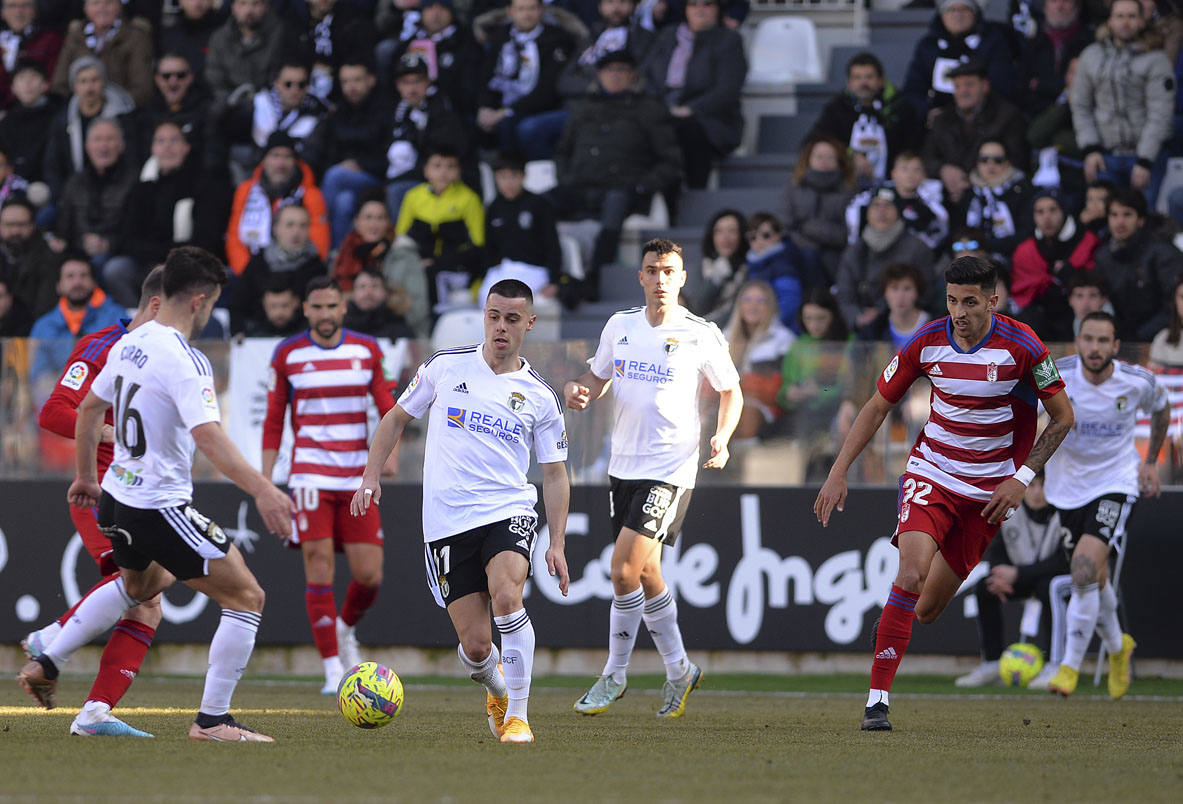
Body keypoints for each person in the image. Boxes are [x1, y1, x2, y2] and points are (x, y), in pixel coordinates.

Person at [19, 246, 295, 742]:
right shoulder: (184, 358)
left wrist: (85, 477)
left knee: (140, 589)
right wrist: (264, 490)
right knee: (247, 596)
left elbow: (87, 410)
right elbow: (210, 438)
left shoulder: (128, 342)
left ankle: (50, 654)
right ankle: (213, 720)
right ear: (199, 301)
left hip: (116, 498)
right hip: (158, 505)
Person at [814, 255, 1075, 731]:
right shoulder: (928, 340)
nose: (959, 312)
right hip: (931, 473)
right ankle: (877, 701)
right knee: (910, 574)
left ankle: (894, 621)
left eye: (971, 302)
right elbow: (875, 407)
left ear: (993, 301)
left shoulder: (1024, 347)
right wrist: (838, 470)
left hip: (989, 493)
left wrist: (1021, 478)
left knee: (928, 610)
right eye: (952, 301)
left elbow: (1063, 417)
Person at [351, 278, 571, 744]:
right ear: (483, 317)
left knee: (508, 596)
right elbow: (395, 418)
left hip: (508, 509)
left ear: (529, 324)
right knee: (475, 648)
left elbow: (554, 474)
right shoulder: (445, 367)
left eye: (512, 319)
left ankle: (519, 716)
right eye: (494, 316)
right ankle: (494, 688)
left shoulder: (540, 396)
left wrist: (557, 542)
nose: (501, 327)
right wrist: (370, 475)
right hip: (447, 521)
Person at [565, 238, 742, 718]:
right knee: (646, 572)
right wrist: (582, 392)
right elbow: (599, 379)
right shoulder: (619, 327)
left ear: (683, 278)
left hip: (671, 467)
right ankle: (680, 669)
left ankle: (614, 675)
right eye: (652, 270)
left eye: (669, 271)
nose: (660, 279)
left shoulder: (699, 332)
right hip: (623, 465)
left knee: (622, 569)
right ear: (640, 277)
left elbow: (731, 391)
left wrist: (722, 437)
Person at [19, 268, 165, 736]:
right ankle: (55, 650)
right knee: (143, 592)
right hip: (101, 489)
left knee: (147, 600)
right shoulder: (106, 344)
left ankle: (88, 701)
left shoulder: (163, 355)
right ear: (158, 305)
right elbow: (54, 410)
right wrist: (107, 431)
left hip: (137, 491)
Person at [261, 276, 396, 694]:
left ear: (343, 307)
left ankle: (342, 629)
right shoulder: (287, 353)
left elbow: (389, 407)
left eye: (331, 306)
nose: (324, 315)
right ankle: (332, 668)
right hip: (309, 475)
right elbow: (273, 419)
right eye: (316, 307)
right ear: (305, 309)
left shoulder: (367, 349)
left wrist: (387, 456)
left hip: (358, 475)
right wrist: (266, 482)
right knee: (319, 565)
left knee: (369, 576)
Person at [1040, 311, 1168, 698]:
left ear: (1115, 345)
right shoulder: (1056, 376)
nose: (1094, 348)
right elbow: (1029, 417)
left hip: (1115, 483)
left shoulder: (1137, 381)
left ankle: (1068, 668)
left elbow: (1161, 411)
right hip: (1066, 489)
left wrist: (1149, 463)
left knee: (1082, 569)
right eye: (1088, 339)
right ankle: (1118, 648)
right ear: (1078, 341)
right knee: (1096, 578)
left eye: (1103, 341)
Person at [550, 49, 682, 303]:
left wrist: (643, 186)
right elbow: (562, 152)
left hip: (624, 191)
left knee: (615, 203)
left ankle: (595, 278)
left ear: (632, 75)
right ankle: (554, 277)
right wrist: (565, 178)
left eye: (622, 69)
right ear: (599, 74)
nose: (615, 75)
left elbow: (670, 161)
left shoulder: (648, 109)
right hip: (579, 188)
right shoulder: (583, 107)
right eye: (609, 70)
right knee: (540, 203)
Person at [954, 472, 1071, 687]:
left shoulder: (1065, 512)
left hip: (1054, 580)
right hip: (1022, 579)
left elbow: (1063, 562)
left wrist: (1018, 573)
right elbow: (995, 550)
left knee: (1048, 588)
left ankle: (1056, 665)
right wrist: (1000, 575)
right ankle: (992, 663)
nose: (1037, 492)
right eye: (1032, 485)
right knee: (985, 587)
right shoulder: (1010, 513)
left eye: (1043, 486)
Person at [1072, 0, 1174, 204]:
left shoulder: (1157, 60)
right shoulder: (1091, 56)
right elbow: (1080, 106)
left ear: (1142, 22)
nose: (1125, 22)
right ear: (1109, 21)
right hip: (1104, 156)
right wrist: (1090, 149)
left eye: (1132, 16)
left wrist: (1145, 160)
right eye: (1119, 16)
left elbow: (1160, 112)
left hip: (1145, 157)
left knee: (1143, 217)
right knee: (1103, 219)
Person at [639, 0, 747, 189]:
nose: (700, 10)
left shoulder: (728, 40)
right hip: (661, 108)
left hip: (709, 119)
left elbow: (726, 90)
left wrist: (691, 109)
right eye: (693, 4)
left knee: (684, 133)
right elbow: (646, 75)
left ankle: (694, 198)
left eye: (707, 4)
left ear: (718, 10)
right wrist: (659, 106)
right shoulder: (667, 35)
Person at [476, 0, 577, 161]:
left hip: (541, 108)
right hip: (502, 105)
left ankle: (520, 175)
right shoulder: (500, 36)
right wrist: (485, 107)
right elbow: (487, 76)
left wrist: (506, 112)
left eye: (532, 8)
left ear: (542, 10)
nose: (527, 14)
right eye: (521, 9)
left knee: (513, 126)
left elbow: (548, 89)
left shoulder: (558, 39)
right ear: (510, 12)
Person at [225, 131, 331, 275]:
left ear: (296, 162)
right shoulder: (245, 191)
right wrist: (249, 276)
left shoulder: (311, 195)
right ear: (264, 160)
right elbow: (234, 239)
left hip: (296, 273)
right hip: (250, 273)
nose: (281, 164)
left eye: (287, 157)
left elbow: (319, 244)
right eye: (275, 156)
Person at [923, 60, 1027, 206]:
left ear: (985, 86)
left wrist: (970, 180)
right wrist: (943, 170)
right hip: (949, 197)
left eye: (969, 84)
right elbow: (927, 157)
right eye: (957, 86)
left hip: (996, 198)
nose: (963, 91)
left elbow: (1016, 161)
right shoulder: (942, 119)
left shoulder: (1007, 116)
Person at [394, 143, 484, 312]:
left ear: (458, 172)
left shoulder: (469, 199)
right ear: (426, 170)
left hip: (454, 264)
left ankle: (435, 322)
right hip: (420, 261)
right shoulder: (413, 196)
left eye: (450, 166)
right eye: (437, 166)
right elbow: (401, 236)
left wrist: (437, 262)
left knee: (431, 275)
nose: (443, 172)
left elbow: (477, 244)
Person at [808, 52, 922, 184]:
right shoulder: (837, 108)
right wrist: (849, 156)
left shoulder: (900, 107)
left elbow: (913, 145)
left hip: (894, 184)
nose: (863, 82)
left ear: (881, 81)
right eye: (857, 77)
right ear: (849, 83)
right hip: (844, 185)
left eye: (869, 77)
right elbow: (817, 139)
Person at [835, 186, 934, 331]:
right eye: (876, 205)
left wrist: (881, 315)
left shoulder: (917, 249)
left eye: (888, 206)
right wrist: (857, 318)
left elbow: (926, 292)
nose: (881, 212)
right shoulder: (855, 250)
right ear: (867, 212)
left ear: (899, 211)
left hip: (905, 326)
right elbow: (844, 292)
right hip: (863, 328)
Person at [1093, 186, 1183, 341]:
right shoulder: (1103, 256)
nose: (1119, 222)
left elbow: (1173, 306)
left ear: (1141, 220)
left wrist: (1138, 336)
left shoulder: (1163, 253)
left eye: (1127, 215)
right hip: (1118, 339)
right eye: (1114, 215)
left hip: (1160, 338)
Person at [901, 0, 1015, 119]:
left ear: (975, 13)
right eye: (951, 9)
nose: (958, 15)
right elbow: (913, 88)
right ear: (941, 15)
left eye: (964, 9)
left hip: (984, 119)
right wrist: (927, 112)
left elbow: (1002, 86)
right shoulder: (928, 46)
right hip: (938, 120)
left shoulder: (992, 42)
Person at [1010, 188, 1100, 338]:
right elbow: (1021, 291)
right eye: (1040, 212)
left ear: (1064, 211)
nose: (1047, 218)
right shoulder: (1025, 251)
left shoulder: (1088, 242)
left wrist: (1073, 277)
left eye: (1053, 210)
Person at [231, 203, 328, 336]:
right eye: (290, 225)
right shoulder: (258, 263)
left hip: (303, 338)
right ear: (276, 228)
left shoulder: (317, 268)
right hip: (257, 339)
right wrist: (239, 332)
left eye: (302, 225)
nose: (296, 231)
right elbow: (238, 304)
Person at [29, 255, 126, 380]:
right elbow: (38, 377)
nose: (77, 282)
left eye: (84, 276)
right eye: (70, 276)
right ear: (59, 286)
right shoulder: (43, 326)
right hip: (59, 396)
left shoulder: (117, 317)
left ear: (94, 283)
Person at [725, 278, 794, 439]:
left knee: (746, 412)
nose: (753, 306)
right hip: (727, 402)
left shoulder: (783, 339)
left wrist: (743, 383)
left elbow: (778, 385)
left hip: (766, 407)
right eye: (747, 300)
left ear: (770, 306)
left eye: (760, 301)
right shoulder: (725, 336)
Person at [51, 0, 155, 106]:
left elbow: (141, 87)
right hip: (79, 109)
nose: (102, 8)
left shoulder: (136, 37)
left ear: (119, 7)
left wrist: (115, 107)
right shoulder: (75, 35)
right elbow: (60, 82)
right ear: (86, 9)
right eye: (96, 3)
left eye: (108, 3)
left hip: (122, 110)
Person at [781, 137, 856, 284]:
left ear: (840, 161)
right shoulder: (794, 186)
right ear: (808, 159)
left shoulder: (850, 189)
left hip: (837, 256)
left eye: (830, 157)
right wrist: (810, 246)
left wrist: (809, 228)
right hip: (799, 252)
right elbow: (784, 225)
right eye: (819, 156)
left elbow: (848, 232)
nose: (824, 161)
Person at [845, 152, 949, 253]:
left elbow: (942, 223)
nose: (910, 174)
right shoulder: (878, 193)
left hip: (911, 254)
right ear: (893, 173)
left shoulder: (927, 201)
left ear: (923, 175)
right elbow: (854, 208)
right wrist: (855, 237)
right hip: (877, 250)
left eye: (916, 170)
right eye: (904, 169)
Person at [954, 139, 1035, 261]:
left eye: (998, 160)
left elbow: (1026, 234)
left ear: (1007, 163)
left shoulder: (1021, 192)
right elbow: (957, 233)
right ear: (977, 163)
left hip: (1013, 260)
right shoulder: (969, 194)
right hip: (970, 261)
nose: (990, 165)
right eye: (984, 159)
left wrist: (986, 246)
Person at [743, 211, 805, 331]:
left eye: (766, 235)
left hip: (780, 334)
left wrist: (763, 328)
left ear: (778, 236)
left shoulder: (784, 264)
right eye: (752, 237)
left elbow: (789, 306)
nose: (759, 241)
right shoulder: (751, 266)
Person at [0, 0, 62, 110]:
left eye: (25, 6)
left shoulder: (50, 40)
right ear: (3, 13)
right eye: (12, 6)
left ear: (34, 11)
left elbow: (54, 79)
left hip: (41, 108)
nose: (18, 11)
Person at [858, 261, 932, 349]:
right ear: (885, 292)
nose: (900, 296)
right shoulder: (874, 330)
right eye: (894, 288)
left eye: (907, 289)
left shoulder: (935, 326)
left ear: (917, 292)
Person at [695, 208, 747, 322]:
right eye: (719, 231)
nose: (725, 238)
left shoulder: (749, 270)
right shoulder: (704, 267)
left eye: (732, 231)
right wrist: (716, 279)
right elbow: (697, 307)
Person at [343, 268, 416, 340]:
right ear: (353, 293)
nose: (368, 292)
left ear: (386, 293)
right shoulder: (341, 328)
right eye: (362, 287)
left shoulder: (400, 327)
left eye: (375, 286)